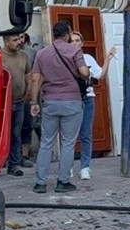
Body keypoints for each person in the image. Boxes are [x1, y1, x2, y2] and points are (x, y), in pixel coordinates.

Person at [28, 20, 90, 194]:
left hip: (50, 102)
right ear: (68, 33)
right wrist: (87, 74)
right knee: (68, 143)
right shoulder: (75, 50)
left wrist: (34, 102)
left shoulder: (42, 53)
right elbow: (84, 72)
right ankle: (62, 181)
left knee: (46, 142)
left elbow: (35, 79)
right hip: (72, 102)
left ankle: (40, 183)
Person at [70, 31, 116, 180]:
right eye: (72, 41)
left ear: (82, 43)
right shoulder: (65, 58)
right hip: (71, 99)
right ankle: (68, 166)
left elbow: (100, 75)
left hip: (88, 98)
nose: (75, 43)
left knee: (86, 134)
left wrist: (107, 59)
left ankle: (85, 167)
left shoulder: (87, 58)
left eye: (77, 40)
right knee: (69, 135)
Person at [0, 27, 33, 176]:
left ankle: (14, 165)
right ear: (6, 42)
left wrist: (29, 90)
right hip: (2, 104)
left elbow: (28, 74)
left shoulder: (24, 56)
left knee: (16, 134)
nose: (19, 42)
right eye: (14, 40)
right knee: (0, 135)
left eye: (19, 39)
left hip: (19, 101)